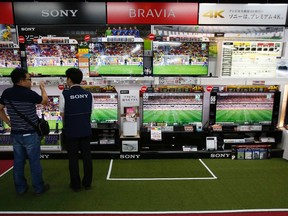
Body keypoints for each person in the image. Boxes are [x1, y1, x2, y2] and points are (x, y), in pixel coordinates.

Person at [0, 68, 50, 195]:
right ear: (21, 81)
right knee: (34, 163)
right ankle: (39, 188)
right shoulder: (28, 94)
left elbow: (0, 108)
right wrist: (43, 88)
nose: (30, 81)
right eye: (29, 79)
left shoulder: (6, 93)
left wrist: (8, 121)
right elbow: (44, 101)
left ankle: (21, 188)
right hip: (30, 134)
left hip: (16, 134)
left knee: (18, 163)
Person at [59, 68, 93, 192]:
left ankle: (75, 185)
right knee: (87, 157)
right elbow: (90, 112)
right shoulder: (89, 94)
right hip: (85, 130)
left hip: (71, 131)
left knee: (73, 158)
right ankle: (87, 183)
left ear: (69, 79)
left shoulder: (64, 94)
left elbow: (62, 114)